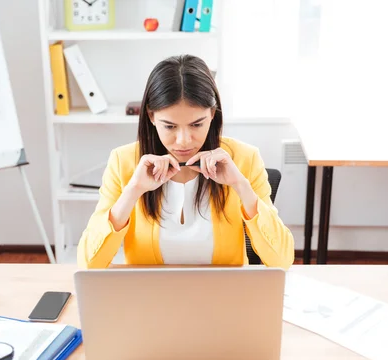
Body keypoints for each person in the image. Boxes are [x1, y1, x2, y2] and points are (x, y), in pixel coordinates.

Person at [77, 54, 294, 269]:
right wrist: (133, 191)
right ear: (151, 116)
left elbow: (282, 261)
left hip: (223, 295)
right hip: (150, 296)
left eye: (196, 124)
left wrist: (240, 185)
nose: (183, 141)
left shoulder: (245, 159)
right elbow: (89, 263)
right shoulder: (123, 162)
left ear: (212, 113)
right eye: (170, 126)